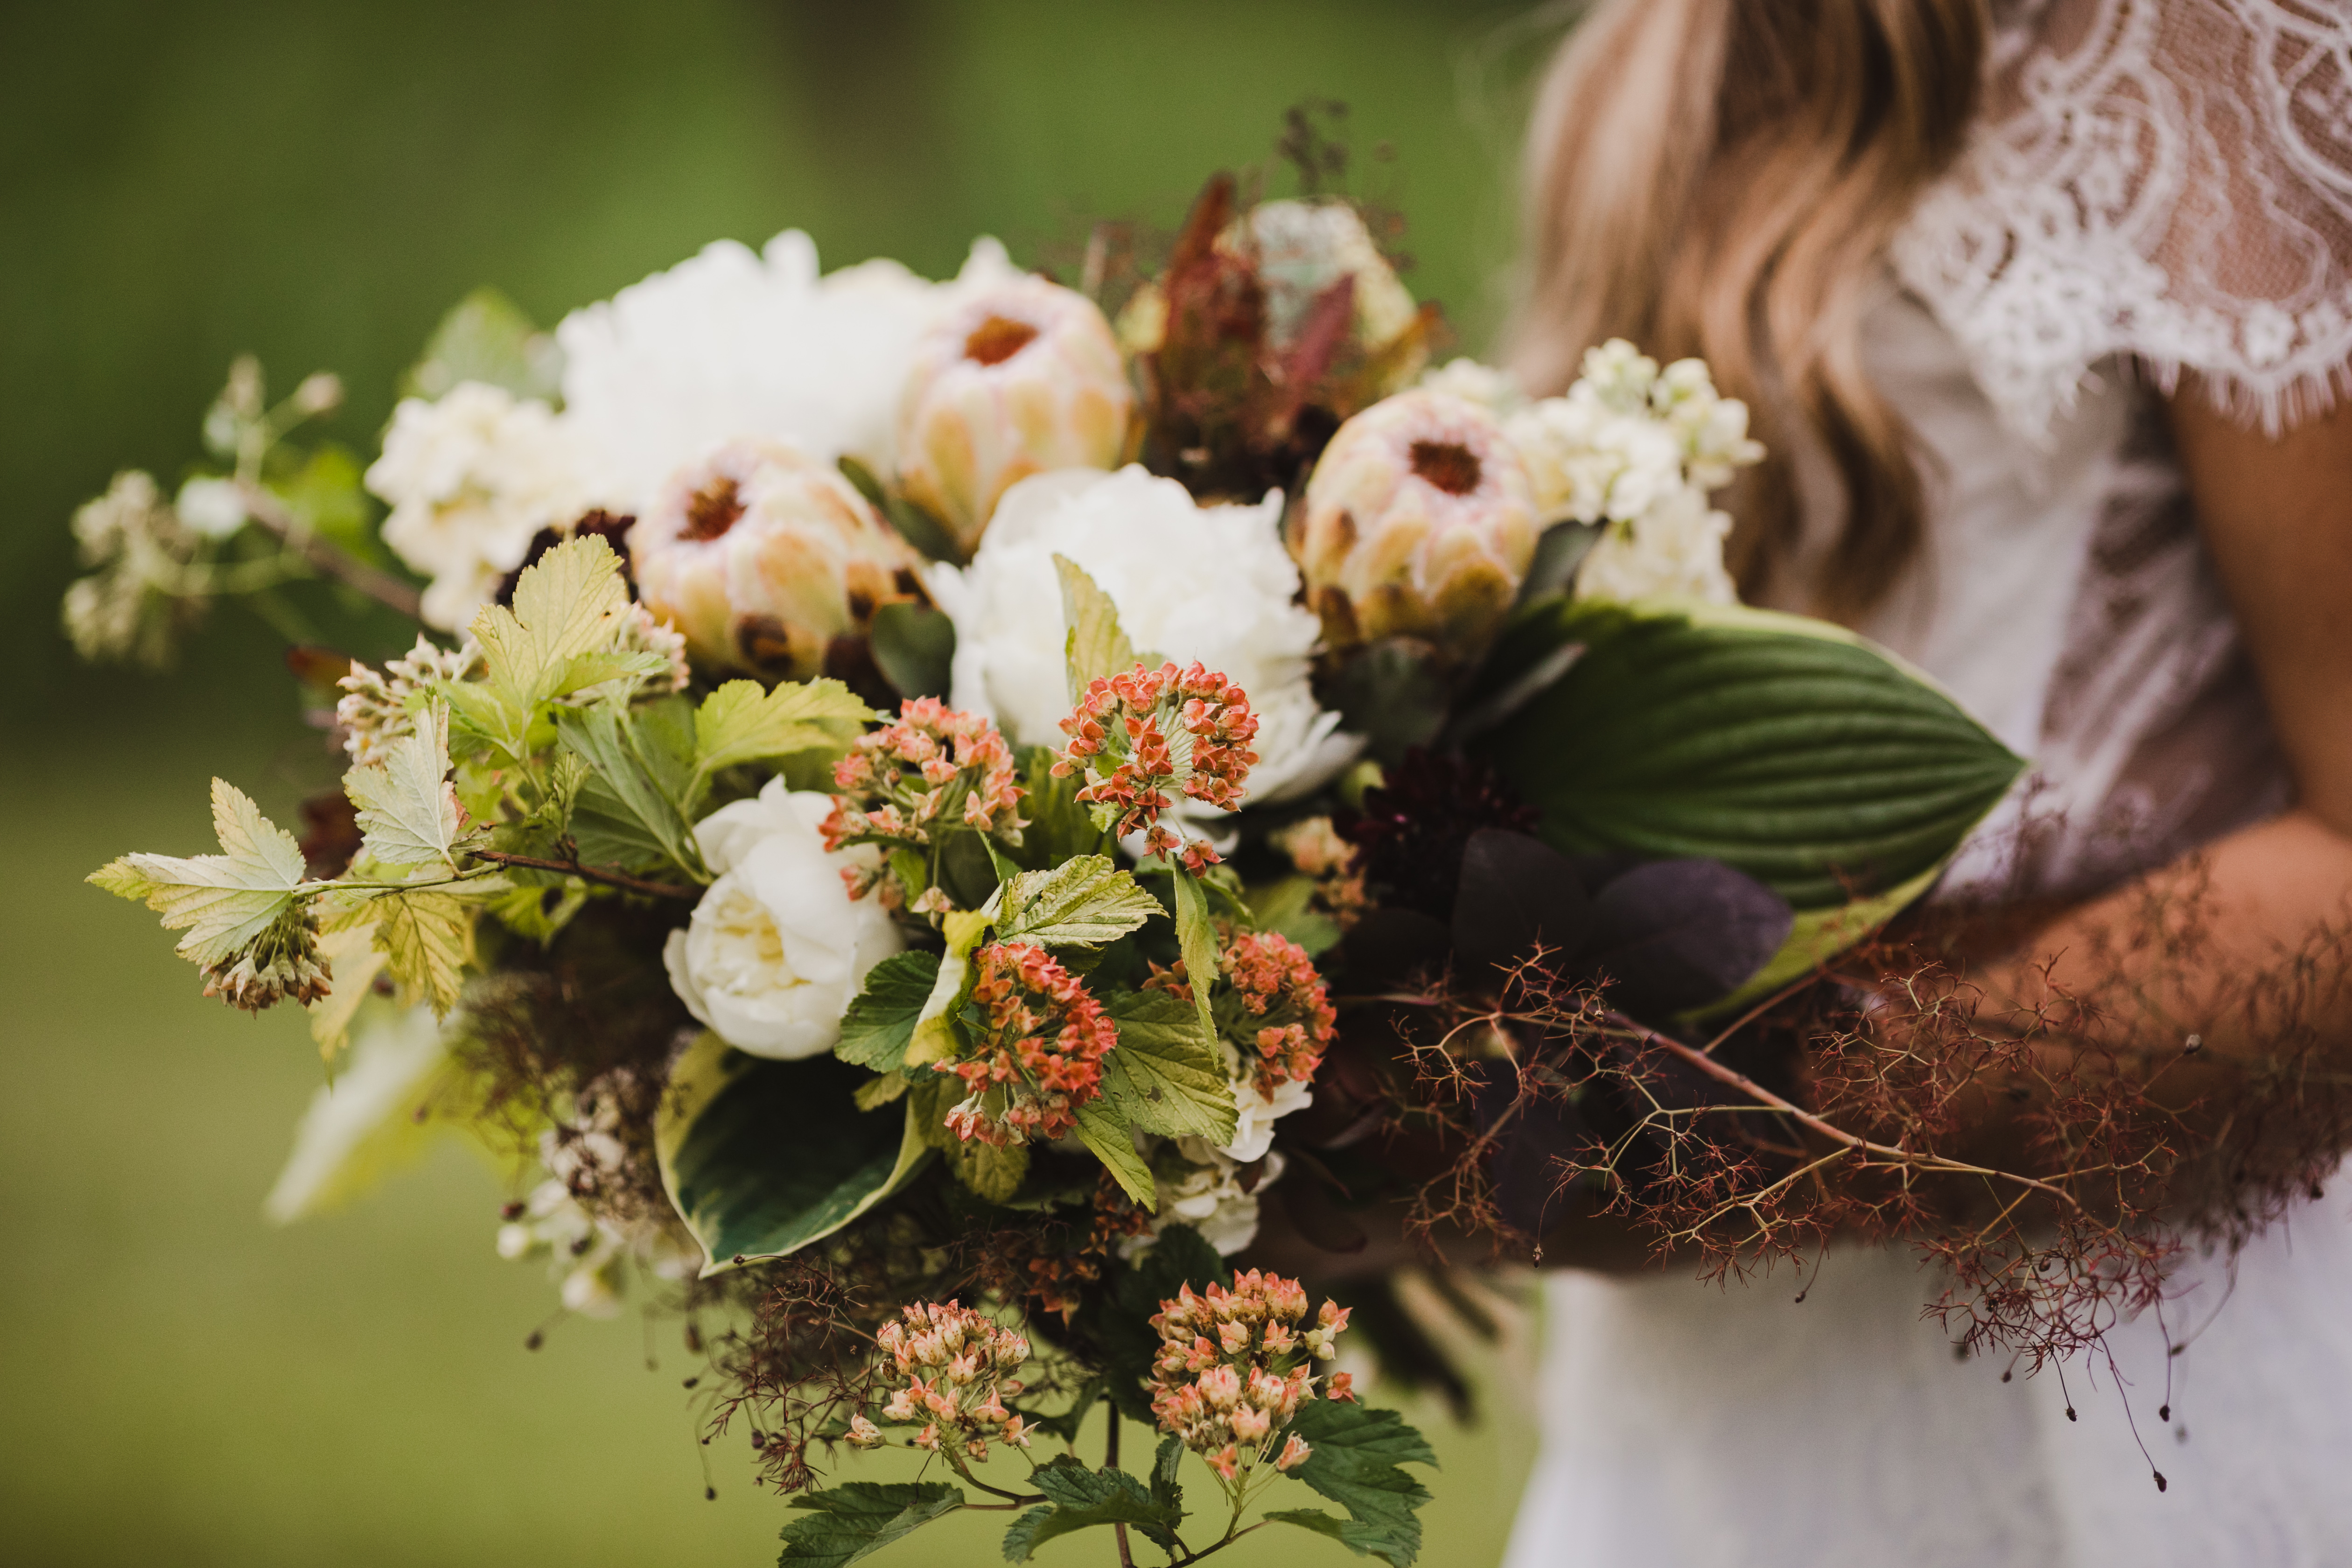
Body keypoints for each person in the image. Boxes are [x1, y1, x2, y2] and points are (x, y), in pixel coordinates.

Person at [1498, 1, 2352, 1564]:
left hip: (2130, 1381)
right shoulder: (1663, 41)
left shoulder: (2219, 37)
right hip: (1725, 1423)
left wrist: (1717, 1145)